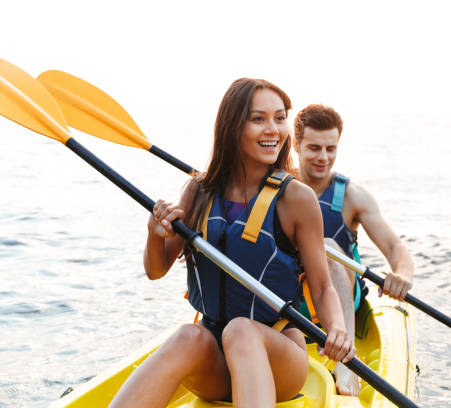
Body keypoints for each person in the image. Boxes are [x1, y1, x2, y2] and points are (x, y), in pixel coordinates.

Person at [110, 80, 355, 408]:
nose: (273, 130)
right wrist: (155, 232)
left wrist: (337, 328)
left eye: (280, 118)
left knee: (242, 329)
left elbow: (323, 287)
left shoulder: (297, 198)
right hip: (215, 359)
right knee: (187, 335)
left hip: (279, 356)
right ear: (232, 126)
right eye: (258, 119)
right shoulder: (199, 191)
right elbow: (155, 271)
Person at [293, 104, 414, 396]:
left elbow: (396, 247)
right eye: (314, 148)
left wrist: (402, 275)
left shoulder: (352, 196)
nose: (324, 157)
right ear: (295, 145)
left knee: (328, 246)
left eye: (331, 149)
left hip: (341, 291)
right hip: (294, 293)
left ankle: (345, 361)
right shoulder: (278, 186)